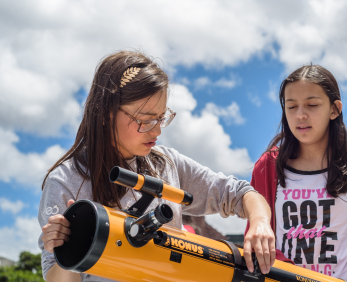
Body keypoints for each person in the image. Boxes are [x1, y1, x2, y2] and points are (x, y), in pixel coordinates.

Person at [38, 51, 276, 282]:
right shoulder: (65, 181)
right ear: (105, 113)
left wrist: (260, 222)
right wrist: (64, 249)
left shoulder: (166, 163)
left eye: (161, 118)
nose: (157, 130)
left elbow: (240, 193)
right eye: (145, 120)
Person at [246, 65, 347, 282]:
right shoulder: (267, 167)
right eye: (291, 106)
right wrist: (294, 276)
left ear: (335, 109)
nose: (300, 115)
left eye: (312, 105)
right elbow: (256, 240)